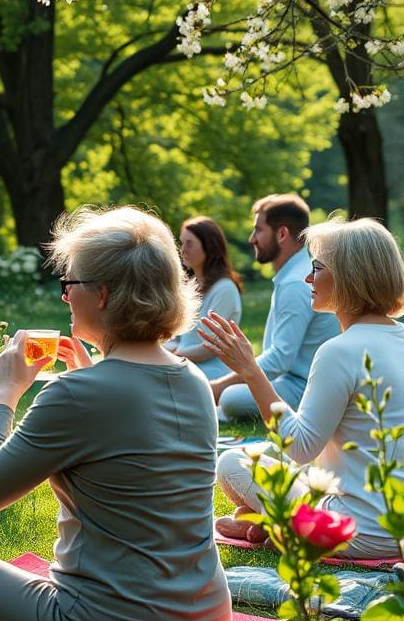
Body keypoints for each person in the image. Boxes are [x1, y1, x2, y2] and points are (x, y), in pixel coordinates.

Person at [0, 207, 231, 621]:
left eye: (70, 285)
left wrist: (5, 394)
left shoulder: (77, 393)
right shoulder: (192, 378)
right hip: (207, 619)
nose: (64, 298)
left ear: (101, 294)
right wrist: (88, 376)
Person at [203, 218, 404, 558]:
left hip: (355, 530)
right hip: (397, 528)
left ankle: (277, 526)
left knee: (232, 464)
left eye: (317, 267)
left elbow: (299, 447)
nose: (308, 278)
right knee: (281, 465)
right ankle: (271, 525)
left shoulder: (339, 351)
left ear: (349, 276)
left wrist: (251, 371)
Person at [210, 194, 339, 419]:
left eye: (258, 230)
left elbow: (279, 359)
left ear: (281, 234)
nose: (251, 239)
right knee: (226, 388)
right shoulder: (293, 275)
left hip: (303, 388)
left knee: (230, 397)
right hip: (288, 380)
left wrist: (218, 387)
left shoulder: (295, 283)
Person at [167, 216, 243, 380]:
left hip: (210, 374)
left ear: (209, 246)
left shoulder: (225, 288)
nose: (183, 249)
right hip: (183, 367)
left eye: (190, 243)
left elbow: (211, 346)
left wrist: (172, 357)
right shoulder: (189, 287)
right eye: (182, 243)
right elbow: (177, 337)